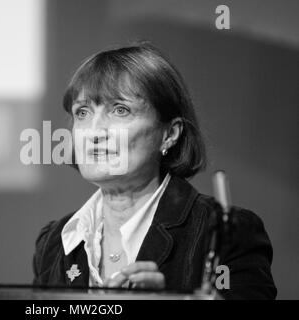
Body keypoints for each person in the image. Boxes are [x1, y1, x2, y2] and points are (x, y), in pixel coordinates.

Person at [32, 42, 276, 299]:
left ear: (169, 134)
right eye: (82, 112)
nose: (94, 131)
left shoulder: (224, 235)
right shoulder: (55, 242)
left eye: (120, 110)